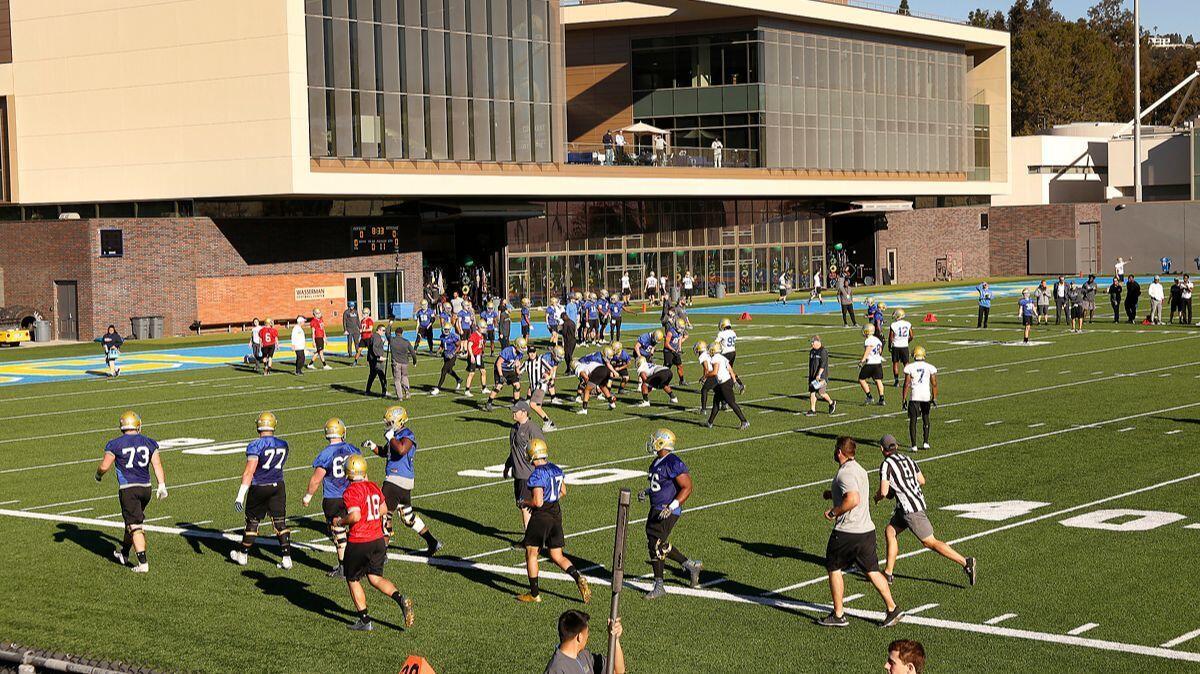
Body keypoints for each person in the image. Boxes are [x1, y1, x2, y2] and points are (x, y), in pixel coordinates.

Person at [817, 436, 902, 628]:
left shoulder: (845, 473)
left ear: (839, 452)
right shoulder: (860, 470)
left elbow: (853, 498)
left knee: (833, 567)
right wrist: (833, 494)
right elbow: (855, 492)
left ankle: (838, 614)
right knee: (872, 571)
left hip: (848, 531)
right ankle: (892, 608)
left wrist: (834, 511)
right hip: (866, 530)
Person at [876, 435, 975, 586]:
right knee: (890, 531)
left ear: (882, 449)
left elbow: (884, 492)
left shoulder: (886, 464)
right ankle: (888, 573)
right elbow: (922, 480)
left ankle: (965, 562)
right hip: (909, 505)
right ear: (895, 446)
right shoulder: (908, 459)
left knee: (929, 542)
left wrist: (878, 497)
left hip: (910, 510)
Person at [334, 454, 416, 631]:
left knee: (353, 579)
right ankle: (400, 598)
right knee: (375, 577)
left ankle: (364, 620)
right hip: (377, 540)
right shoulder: (372, 486)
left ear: (348, 472)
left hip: (359, 541)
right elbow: (384, 509)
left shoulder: (351, 491)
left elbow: (355, 516)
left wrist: (340, 522)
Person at [516, 438, 592, 604]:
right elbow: (563, 491)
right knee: (557, 555)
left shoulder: (537, 474)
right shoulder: (556, 469)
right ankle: (578, 577)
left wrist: (524, 501)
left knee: (531, 553)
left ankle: (534, 594)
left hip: (542, 515)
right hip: (556, 512)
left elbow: (538, 502)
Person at [362, 406, 441, 555]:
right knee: (407, 516)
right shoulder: (396, 435)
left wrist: (391, 437)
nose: (388, 424)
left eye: (391, 421)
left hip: (396, 480)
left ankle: (382, 553)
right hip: (402, 481)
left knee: (384, 514)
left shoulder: (406, 434)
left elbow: (401, 449)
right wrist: (373, 446)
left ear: (399, 420)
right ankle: (433, 542)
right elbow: (386, 452)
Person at [95, 411, 167, 573]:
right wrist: (161, 485)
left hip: (129, 489)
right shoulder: (149, 442)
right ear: (137, 425)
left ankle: (143, 563)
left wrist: (98, 475)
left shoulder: (115, 444)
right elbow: (157, 465)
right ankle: (124, 553)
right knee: (131, 521)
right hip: (146, 489)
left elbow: (104, 466)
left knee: (135, 526)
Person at [638, 429, 703, 598]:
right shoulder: (657, 462)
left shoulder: (673, 462)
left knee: (655, 545)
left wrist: (672, 506)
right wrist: (647, 491)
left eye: (655, 439)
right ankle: (690, 565)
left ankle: (659, 585)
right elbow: (659, 485)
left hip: (667, 509)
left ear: (662, 442)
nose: (652, 442)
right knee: (657, 543)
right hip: (656, 508)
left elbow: (687, 487)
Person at [230, 412, 292, 569]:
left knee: (252, 522)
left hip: (260, 486)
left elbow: (249, 472)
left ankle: (243, 555)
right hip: (278, 485)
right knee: (280, 522)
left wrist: (240, 496)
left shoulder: (255, 446)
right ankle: (286, 558)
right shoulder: (283, 444)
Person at [302, 418, 362, 579]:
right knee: (356, 530)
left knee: (338, 532)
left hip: (333, 498)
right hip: (352, 495)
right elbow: (362, 472)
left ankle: (343, 567)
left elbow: (316, 479)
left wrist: (308, 496)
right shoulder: (352, 449)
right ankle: (359, 562)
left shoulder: (325, 454)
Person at [506, 401, 546, 530]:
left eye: (515, 411)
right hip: (518, 473)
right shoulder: (514, 428)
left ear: (524, 412)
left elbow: (541, 451)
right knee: (523, 506)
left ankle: (529, 539)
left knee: (525, 506)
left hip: (528, 474)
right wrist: (507, 466)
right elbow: (513, 450)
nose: (513, 413)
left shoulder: (532, 429)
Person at [545, 610, 625, 674]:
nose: (588, 637)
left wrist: (615, 639)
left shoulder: (584, 655)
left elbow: (617, 671)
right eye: (587, 634)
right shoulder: (556, 669)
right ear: (579, 637)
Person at [703, 343, 749, 429]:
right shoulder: (722, 357)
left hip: (725, 383)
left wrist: (705, 375)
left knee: (731, 403)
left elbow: (715, 372)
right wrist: (735, 382)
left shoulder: (715, 358)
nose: (709, 352)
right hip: (725, 382)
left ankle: (744, 421)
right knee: (716, 402)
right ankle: (709, 423)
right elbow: (731, 370)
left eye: (710, 350)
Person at [901, 346, 937, 452]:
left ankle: (914, 445)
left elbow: (907, 384)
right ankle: (926, 442)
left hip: (915, 396)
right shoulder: (930, 367)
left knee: (913, 421)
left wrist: (903, 398)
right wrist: (934, 397)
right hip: (926, 396)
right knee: (926, 418)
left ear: (914, 355)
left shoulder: (910, 367)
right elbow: (934, 384)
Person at [526, 346, 563, 431]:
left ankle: (548, 422)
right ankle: (547, 423)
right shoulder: (545, 358)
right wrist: (547, 375)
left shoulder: (554, 359)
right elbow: (542, 368)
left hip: (541, 384)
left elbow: (553, 368)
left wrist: (551, 376)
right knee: (535, 404)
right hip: (540, 379)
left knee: (533, 404)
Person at [485, 337, 526, 412]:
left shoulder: (519, 353)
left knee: (517, 385)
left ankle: (516, 405)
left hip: (509, 370)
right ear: (516, 345)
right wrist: (501, 375)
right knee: (499, 386)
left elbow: (516, 364)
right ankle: (489, 402)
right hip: (500, 369)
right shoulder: (508, 351)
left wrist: (518, 373)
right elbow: (498, 363)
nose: (522, 350)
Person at [806, 335, 836, 416]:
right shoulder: (812, 351)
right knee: (812, 391)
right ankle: (813, 410)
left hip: (821, 377)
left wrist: (818, 375)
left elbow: (823, 365)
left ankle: (831, 402)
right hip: (812, 375)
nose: (811, 344)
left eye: (813, 342)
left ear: (818, 342)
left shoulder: (823, 351)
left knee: (821, 393)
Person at [431, 321, 462, 396]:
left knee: (444, 371)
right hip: (445, 355)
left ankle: (438, 388)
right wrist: (438, 351)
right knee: (449, 370)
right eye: (445, 329)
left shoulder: (453, 336)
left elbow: (459, 345)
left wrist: (454, 353)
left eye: (447, 330)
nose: (446, 331)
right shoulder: (442, 336)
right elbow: (442, 345)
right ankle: (458, 379)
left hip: (452, 356)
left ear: (450, 330)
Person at [858, 325, 886, 406]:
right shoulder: (877, 339)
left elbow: (867, 351)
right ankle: (882, 398)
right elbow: (880, 350)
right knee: (878, 380)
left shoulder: (868, 340)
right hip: (878, 362)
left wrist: (861, 361)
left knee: (861, 379)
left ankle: (869, 397)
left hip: (870, 363)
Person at [388, 326, 417, 400]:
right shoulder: (406, 341)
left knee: (397, 380)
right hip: (405, 363)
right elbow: (413, 352)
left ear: (395, 333)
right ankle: (407, 392)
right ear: (402, 333)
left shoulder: (392, 340)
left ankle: (400, 396)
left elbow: (387, 333)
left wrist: (389, 325)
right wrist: (414, 361)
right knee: (404, 377)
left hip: (396, 362)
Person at [888, 309, 913, 388]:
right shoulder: (908, 324)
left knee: (895, 363)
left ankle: (896, 381)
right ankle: (908, 380)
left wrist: (889, 346)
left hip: (896, 346)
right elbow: (911, 336)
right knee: (906, 364)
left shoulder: (893, 325)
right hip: (904, 346)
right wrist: (906, 341)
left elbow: (890, 337)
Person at [463, 320, 488, 396]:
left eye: (484, 328)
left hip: (478, 356)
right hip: (473, 355)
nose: (484, 329)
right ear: (478, 327)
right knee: (472, 373)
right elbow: (469, 345)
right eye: (482, 327)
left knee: (483, 371)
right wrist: (471, 356)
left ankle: (484, 388)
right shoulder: (474, 335)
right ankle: (467, 390)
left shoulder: (482, 335)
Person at [364, 324, 388, 396]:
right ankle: (384, 391)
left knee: (372, 376)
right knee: (382, 376)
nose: (384, 332)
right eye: (383, 331)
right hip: (376, 360)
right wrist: (379, 356)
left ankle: (367, 391)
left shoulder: (374, 336)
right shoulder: (377, 337)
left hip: (372, 359)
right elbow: (374, 347)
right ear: (379, 330)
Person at [663, 318, 687, 385]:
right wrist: (674, 350)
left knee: (680, 366)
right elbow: (666, 344)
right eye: (681, 327)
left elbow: (679, 339)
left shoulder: (679, 332)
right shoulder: (670, 332)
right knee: (667, 368)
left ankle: (682, 381)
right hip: (668, 351)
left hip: (675, 351)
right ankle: (663, 381)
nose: (682, 329)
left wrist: (679, 348)